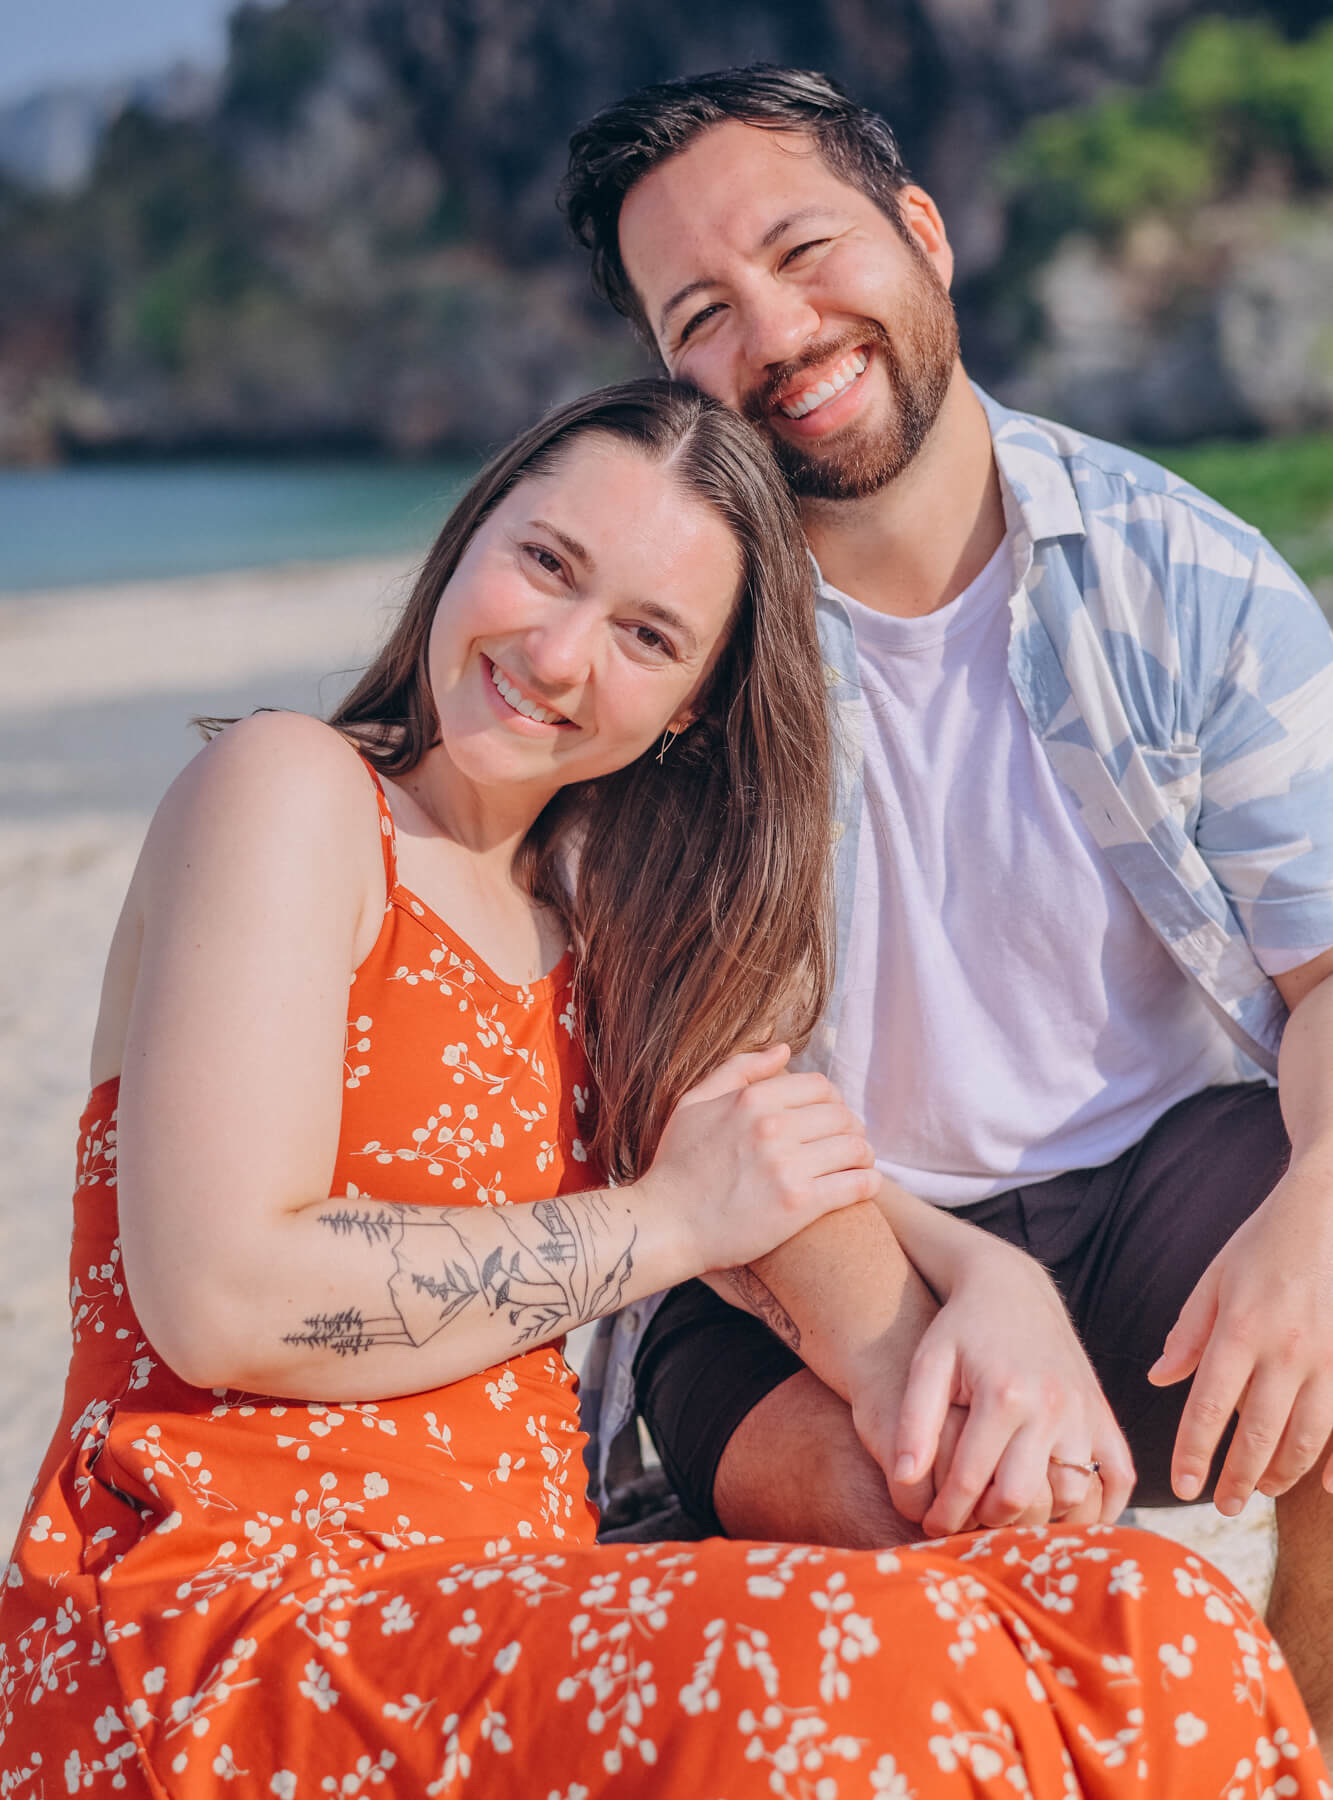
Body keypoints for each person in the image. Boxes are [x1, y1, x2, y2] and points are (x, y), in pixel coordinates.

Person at [3, 380, 1323, 1796]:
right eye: (546, 563)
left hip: (510, 1594)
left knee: (1147, 1619)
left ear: (695, 707)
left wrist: (982, 1281)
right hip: (240, 1605)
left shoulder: (600, 926)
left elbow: (769, 1174)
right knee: (859, 1681)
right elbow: (223, 1297)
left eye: (646, 637)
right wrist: (668, 1226)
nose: (560, 656)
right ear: (464, 539)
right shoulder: (293, 790)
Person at [563, 67, 1333, 1751]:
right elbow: (714, 1091)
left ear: (920, 233)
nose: (776, 330)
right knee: (911, 1507)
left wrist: (1315, 1221)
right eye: (703, 312)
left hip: (1153, 1185)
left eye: (804, 248)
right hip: (803, 1245)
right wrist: (942, 1334)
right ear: (668, 370)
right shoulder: (674, 655)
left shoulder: (1178, 574)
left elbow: (1326, 966)